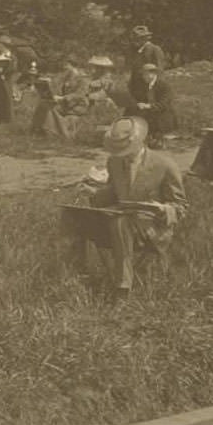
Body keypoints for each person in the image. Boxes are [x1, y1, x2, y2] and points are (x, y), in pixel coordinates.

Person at [63, 116, 187, 298]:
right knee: (74, 216)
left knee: (120, 222)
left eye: (125, 149)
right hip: (121, 218)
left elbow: (180, 206)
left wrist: (162, 208)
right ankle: (76, 272)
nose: (122, 153)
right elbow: (114, 192)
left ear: (140, 142)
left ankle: (123, 286)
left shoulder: (164, 164)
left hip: (152, 227)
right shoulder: (114, 162)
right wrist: (93, 193)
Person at [30, 56, 89, 140]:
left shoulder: (83, 79)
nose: (64, 69)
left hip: (77, 106)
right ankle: (37, 129)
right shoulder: (68, 77)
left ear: (72, 66)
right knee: (44, 104)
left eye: (66, 66)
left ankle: (51, 132)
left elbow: (80, 95)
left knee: (51, 108)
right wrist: (52, 95)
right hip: (66, 104)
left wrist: (63, 98)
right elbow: (60, 90)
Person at [126, 62, 176, 147]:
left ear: (153, 74)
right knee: (130, 111)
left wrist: (148, 106)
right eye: (143, 75)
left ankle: (157, 137)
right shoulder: (144, 85)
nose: (143, 77)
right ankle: (130, 134)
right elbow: (138, 98)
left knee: (156, 118)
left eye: (145, 74)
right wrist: (138, 104)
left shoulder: (164, 86)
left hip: (163, 113)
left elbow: (164, 104)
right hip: (149, 111)